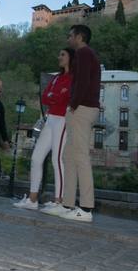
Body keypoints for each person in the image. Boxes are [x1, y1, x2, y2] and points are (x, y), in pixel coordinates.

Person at [43, 25, 100, 222]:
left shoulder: (84, 53)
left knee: (80, 156)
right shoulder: (84, 55)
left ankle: (86, 208)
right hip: (81, 108)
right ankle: (67, 205)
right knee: (68, 156)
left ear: (79, 36)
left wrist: (73, 104)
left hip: (82, 108)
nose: (68, 39)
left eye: (70, 36)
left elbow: (82, 81)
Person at [14, 48, 73, 210]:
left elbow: (64, 97)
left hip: (63, 120)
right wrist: (56, 96)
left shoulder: (73, 78)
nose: (59, 57)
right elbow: (46, 96)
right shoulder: (56, 78)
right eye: (59, 53)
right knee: (36, 157)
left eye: (62, 54)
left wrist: (55, 96)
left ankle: (59, 202)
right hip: (50, 119)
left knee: (57, 159)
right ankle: (32, 200)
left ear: (71, 58)